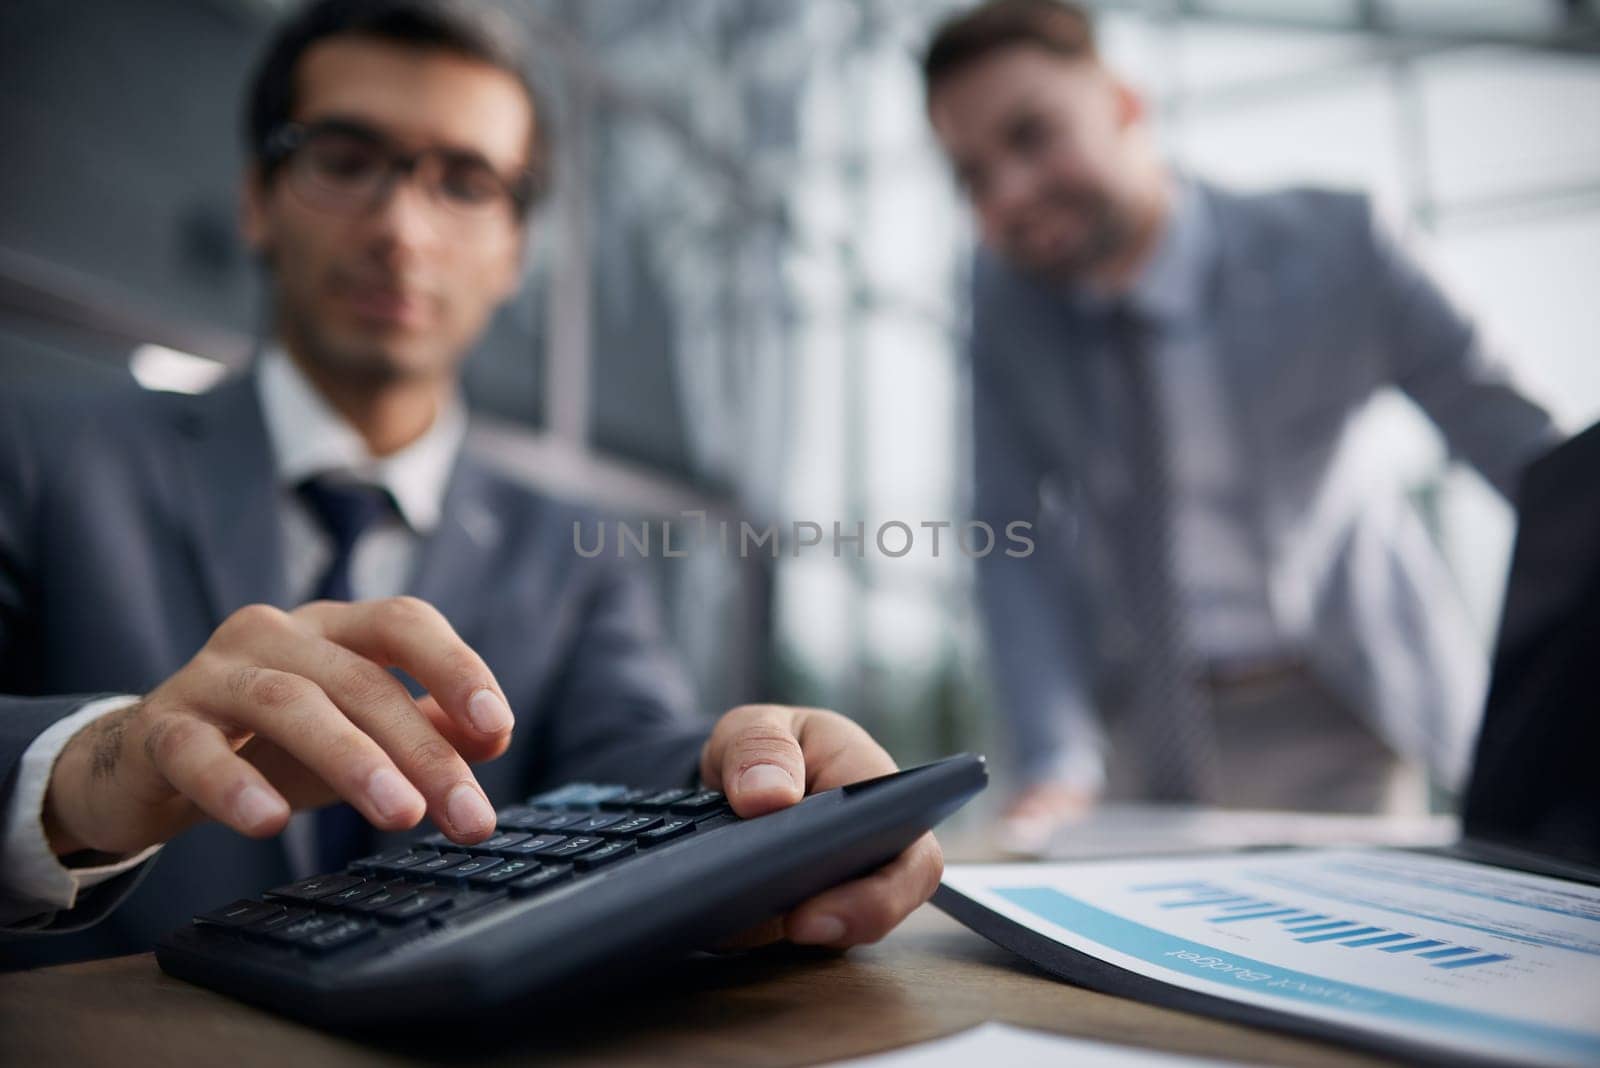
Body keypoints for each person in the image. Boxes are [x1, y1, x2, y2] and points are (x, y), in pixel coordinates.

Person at [0, 0, 940, 967]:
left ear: (514, 252)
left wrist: (744, 775)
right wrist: (94, 766)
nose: (401, 227)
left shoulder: (573, 554)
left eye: (464, 182)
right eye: (346, 158)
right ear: (256, 199)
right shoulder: (35, 453)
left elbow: (629, 754)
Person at [921, 0, 1561, 838]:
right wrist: (1051, 759)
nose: (1008, 192)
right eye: (971, 175)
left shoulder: (1342, 243)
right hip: (1137, 728)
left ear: (1123, 105)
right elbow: (1008, 538)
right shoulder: (1005, 301)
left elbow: (1526, 453)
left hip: (1343, 709)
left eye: (1031, 135)